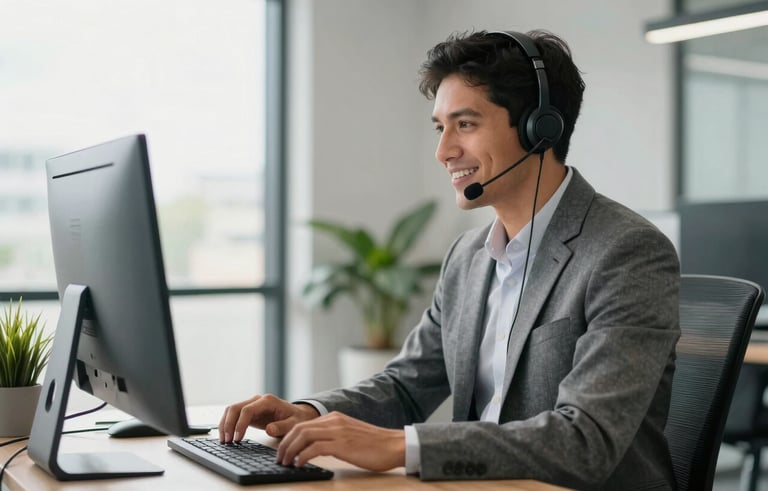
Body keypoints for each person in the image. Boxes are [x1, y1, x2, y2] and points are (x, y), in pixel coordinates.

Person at [219, 29, 680, 490]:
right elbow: (406, 385)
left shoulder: (626, 251)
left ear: (541, 128)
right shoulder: (468, 256)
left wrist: (402, 447)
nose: (444, 152)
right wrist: (308, 412)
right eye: (441, 128)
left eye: (465, 124)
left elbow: (587, 440)